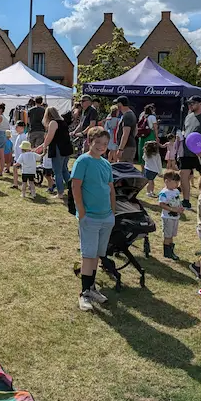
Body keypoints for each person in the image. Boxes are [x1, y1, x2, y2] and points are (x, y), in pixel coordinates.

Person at [71, 126, 115, 311]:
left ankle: (92, 287)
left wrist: (112, 212)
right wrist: (81, 211)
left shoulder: (105, 163)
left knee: (96, 255)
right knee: (88, 256)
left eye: (105, 144)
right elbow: (75, 186)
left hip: (106, 217)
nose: (101, 146)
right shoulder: (83, 161)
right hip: (89, 217)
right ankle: (84, 293)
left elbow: (111, 188)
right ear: (90, 142)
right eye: (98, 143)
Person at [36, 107, 72, 198]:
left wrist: (43, 147)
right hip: (66, 148)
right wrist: (42, 146)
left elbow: (49, 137)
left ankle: (60, 193)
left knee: (57, 172)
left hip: (58, 149)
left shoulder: (53, 123)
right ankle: (73, 189)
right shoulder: (63, 122)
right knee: (64, 170)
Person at [158, 170, 184, 260]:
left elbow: (178, 200)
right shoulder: (164, 192)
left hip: (175, 217)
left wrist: (180, 207)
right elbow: (161, 204)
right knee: (167, 235)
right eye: (175, 182)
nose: (177, 184)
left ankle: (171, 251)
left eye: (178, 182)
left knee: (172, 235)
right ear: (167, 181)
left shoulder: (176, 191)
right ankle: (167, 253)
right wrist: (173, 209)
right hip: (167, 217)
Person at [112, 96, 137, 163]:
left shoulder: (127, 116)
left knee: (123, 168)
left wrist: (120, 149)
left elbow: (125, 133)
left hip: (126, 148)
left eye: (117, 104)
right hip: (128, 146)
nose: (116, 106)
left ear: (120, 104)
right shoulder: (130, 114)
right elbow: (135, 131)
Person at [10, 121, 27, 189]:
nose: (16, 128)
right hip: (17, 157)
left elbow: (24, 148)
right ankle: (15, 183)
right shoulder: (19, 135)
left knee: (24, 172)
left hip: (21, 157)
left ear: (22, 127)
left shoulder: (23, 136)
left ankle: (25, 185)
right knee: (15, 170)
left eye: (17, 127)